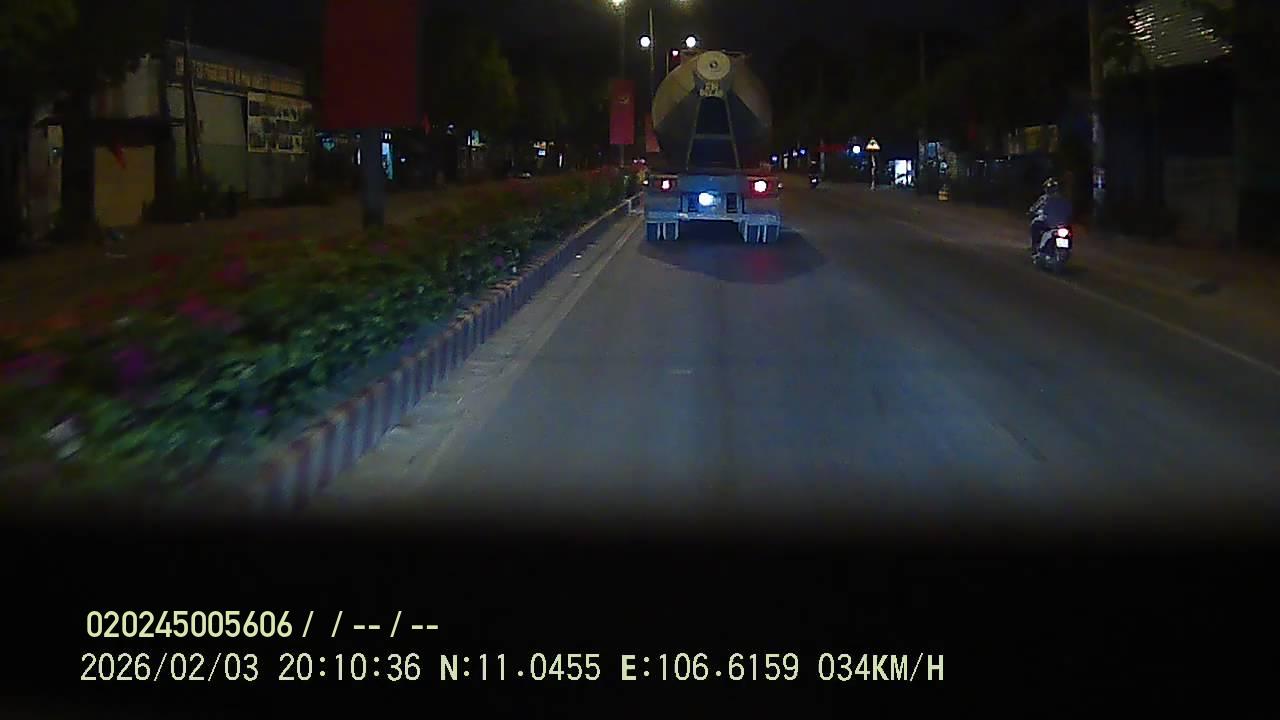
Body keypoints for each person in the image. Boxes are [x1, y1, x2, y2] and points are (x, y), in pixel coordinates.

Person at [1028, 177, 1073, 253]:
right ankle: (1037, 246)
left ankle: (1034, 246)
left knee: (1035, 224)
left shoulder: (1046, 198)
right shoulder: (1063, 199)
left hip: (1050, 223)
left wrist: (1033, 212)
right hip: (1060, 224)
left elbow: (1036, 209)